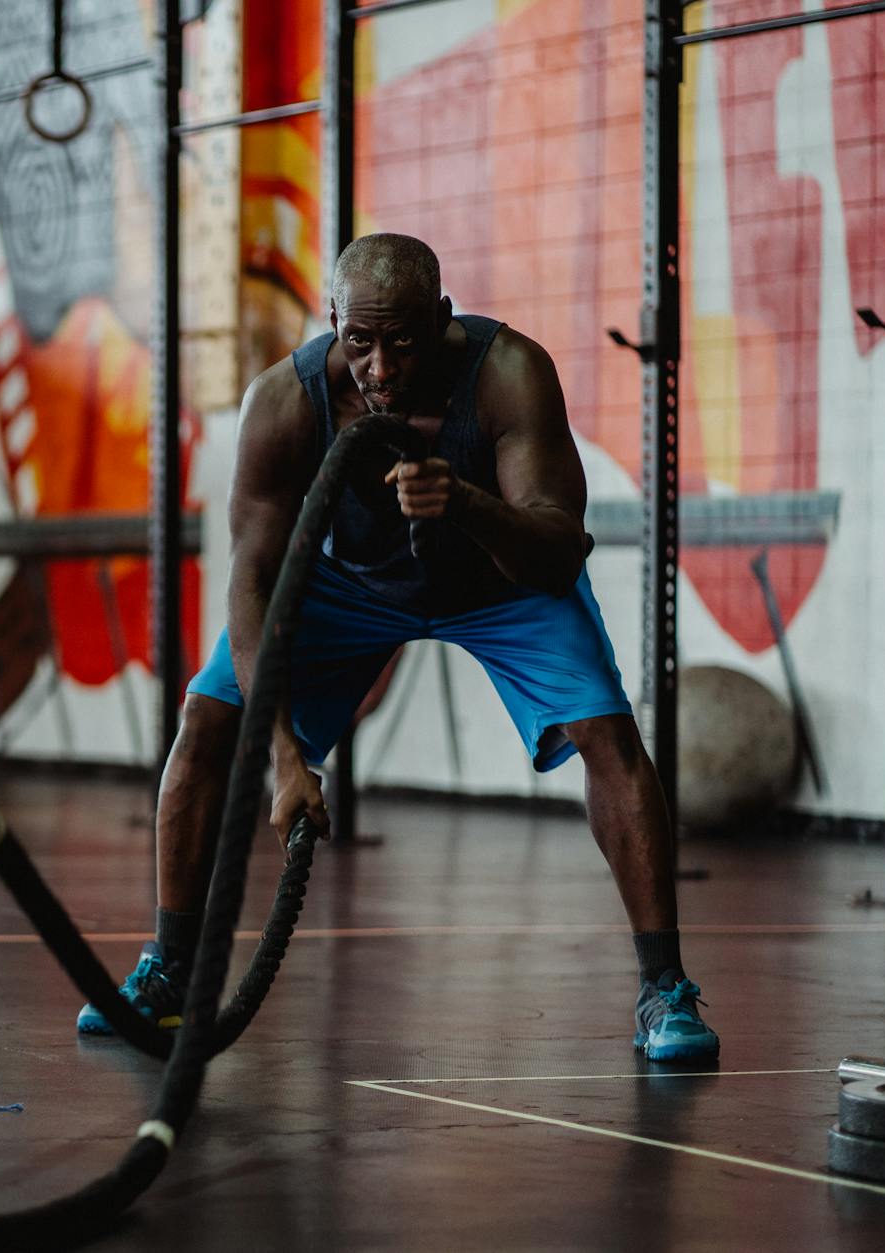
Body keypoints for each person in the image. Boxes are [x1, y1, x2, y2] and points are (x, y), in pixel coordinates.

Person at [76, 234, 719, 1062]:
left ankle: (664, 990)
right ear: (333, 320)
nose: (381, 368)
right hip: (353, 592)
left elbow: (559, 548)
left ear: (443, 320)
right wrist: (282, 757)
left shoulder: (508, 374)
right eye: (361, 342)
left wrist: (466, 505)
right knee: (205, 724)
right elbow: (251, 584)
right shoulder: (284, 400)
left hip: (501, 583)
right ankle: (167, 974)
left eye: (405, 341)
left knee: (609, 737)